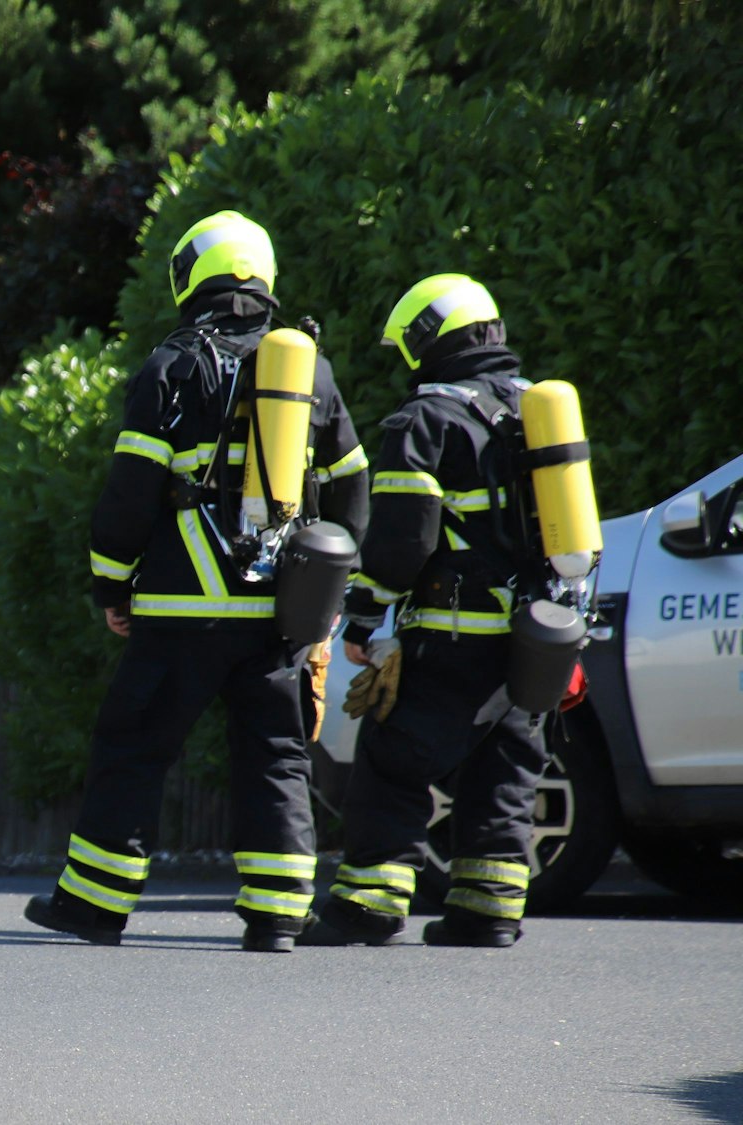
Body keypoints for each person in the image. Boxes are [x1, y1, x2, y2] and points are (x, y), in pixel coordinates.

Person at [23, 210, 370, 953]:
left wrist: (111, 587)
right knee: (276, 751)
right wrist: (332, 594)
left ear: (192, 276)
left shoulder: (174, 364)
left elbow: (129, 494)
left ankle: (93, 904)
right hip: (282, 610)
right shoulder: (311, 368)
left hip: (183, 607)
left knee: (133, 743)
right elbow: (352, 485)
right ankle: (279, 914)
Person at [300, 274, 551, 949]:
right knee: (503, 765)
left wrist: (361, 617)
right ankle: (489, 908)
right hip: (532, 639)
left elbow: (403, 541)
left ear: (424, 342)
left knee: (391, 757)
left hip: (451, 634)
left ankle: (367, 904)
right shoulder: (538, 411)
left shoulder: (427, 420)